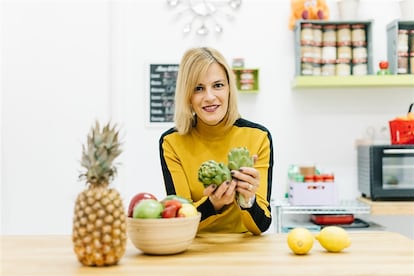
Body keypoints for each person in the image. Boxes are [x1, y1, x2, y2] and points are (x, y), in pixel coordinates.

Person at [159, 47, 274, 235]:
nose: (210, 97)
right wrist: (213, 204)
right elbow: (178, 221)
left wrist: (247, 199)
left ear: (229, 88)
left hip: (244, 252)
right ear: (187, 95)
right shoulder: (171, 142)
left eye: (218, 85)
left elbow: (261, 226)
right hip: (193, 248)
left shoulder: (258, 137)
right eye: (198, 88)